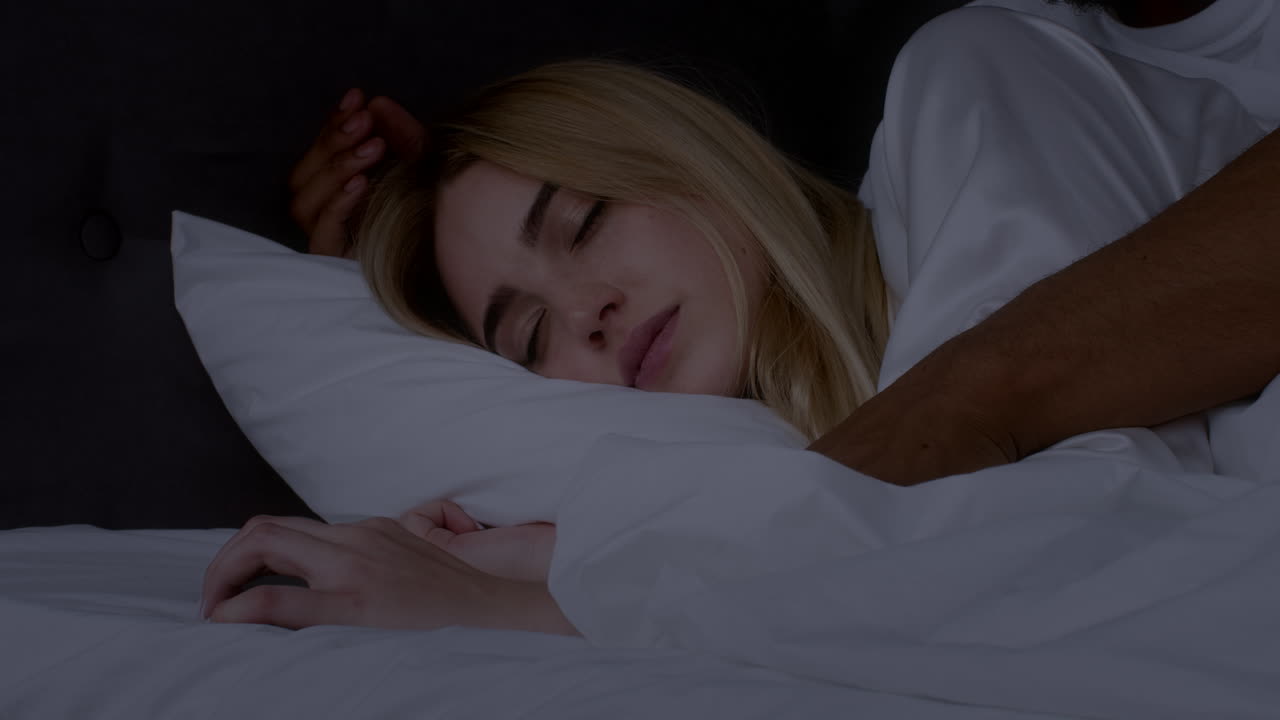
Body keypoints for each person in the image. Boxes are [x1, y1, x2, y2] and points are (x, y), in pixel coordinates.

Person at [203, 0, 1280, 635]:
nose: (586, 314)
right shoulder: (752, 461)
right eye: (528, 340)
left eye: (584, 222)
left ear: (694, 160)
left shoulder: (972, 77)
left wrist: (549, 598)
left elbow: (1076, 533)